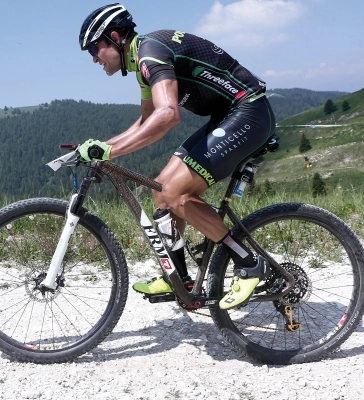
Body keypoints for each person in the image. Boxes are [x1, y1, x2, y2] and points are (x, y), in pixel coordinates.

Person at [77, 4, 277, 310]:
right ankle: (180, 278)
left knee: (176, 193)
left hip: (249, 112)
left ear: (115, 37)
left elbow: (168, 115)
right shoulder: (143, 61)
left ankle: (249, 263)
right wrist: (101, 146)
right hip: (229, 115)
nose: (93, 58)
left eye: (95, 48)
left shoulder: (150, 54)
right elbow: (147, 120)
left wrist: (111, 150)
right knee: (162, 190)